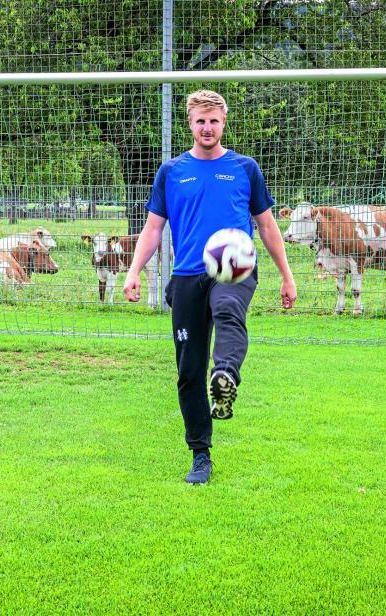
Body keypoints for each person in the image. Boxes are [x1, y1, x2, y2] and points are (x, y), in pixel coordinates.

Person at [123, 90, 297, 485]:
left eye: (214, 121)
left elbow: (267, 226)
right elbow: (153, 228)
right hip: (186, 275)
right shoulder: (171, 172)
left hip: (234, 267)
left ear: (224, 122)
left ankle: (226, 377)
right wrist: (134, 271)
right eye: (200, 121)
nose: (207, 127)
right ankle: (200, 455)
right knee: (187, 372)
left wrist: (288, 276)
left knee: (227, 309)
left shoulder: (244, 168)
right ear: (190, 123)